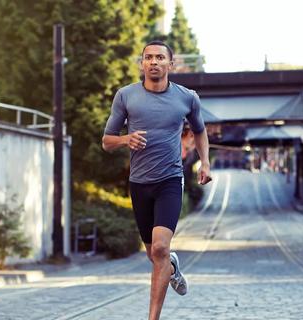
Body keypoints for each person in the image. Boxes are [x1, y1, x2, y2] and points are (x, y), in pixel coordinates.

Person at [102, 40, 212, 320]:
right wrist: (126, 138)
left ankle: (153, 318)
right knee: (154, 254)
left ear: (170, 65)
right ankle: (172, 268)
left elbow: (199, 131)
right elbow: (106, 141)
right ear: (142, 63)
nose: (153, 62)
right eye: (148, 57)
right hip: (139, 183)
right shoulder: (126, 96)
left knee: (161, 247)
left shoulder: (187, 97)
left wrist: (205, 163)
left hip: (170, 181)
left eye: (159, 57)